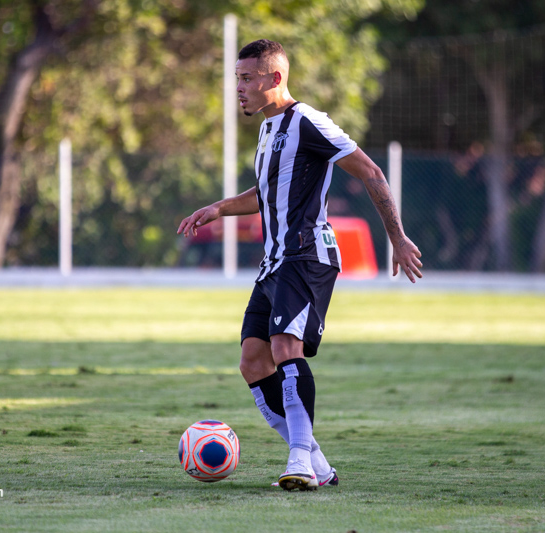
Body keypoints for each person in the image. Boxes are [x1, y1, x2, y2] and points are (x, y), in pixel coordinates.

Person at [178, 39, 423, 491]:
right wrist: (218, 208)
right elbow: (265, 194)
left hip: (308, 255)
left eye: (248, 78)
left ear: (275, 79)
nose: (240, 88)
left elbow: (371, 172)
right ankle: (319, 466)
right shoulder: (268, 129)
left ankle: (299, 461)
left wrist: (397, 237)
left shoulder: (307, 122)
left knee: (284, 345)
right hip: (275, 261)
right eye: (237, 78)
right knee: (253, 362)